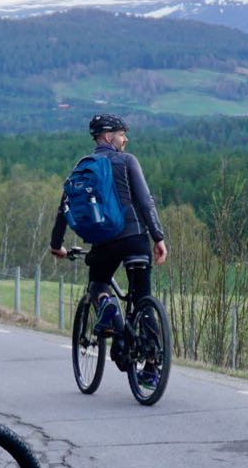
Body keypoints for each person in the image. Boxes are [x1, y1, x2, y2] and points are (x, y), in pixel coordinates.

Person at [50, 114, 168, 384]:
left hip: (105, 243)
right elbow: (145, 201)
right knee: (143, 298)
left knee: (98, 285)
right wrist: (158, 237)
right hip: (135, 237)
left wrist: (56, 245)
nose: (125, 138)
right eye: (121, 133)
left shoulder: (82, 167)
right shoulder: (128, 161)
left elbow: (63, 209)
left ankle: (106, 305)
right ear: (107, 137)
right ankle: (151, 367)